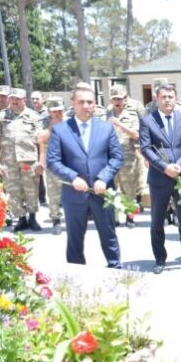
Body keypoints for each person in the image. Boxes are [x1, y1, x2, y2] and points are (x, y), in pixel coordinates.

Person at [46, 85, 123, 267]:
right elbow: (53, 161)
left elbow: (117, 157)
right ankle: (75, 274)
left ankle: (116, 268)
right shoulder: (61, 130)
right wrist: (73, 177)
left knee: (109, 234)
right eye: (81, 102)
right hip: (74, 194)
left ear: (95, 104)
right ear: (73, 103)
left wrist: (103, 177)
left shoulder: (106, 129)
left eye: (90, 102)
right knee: (75, 237)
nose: (86, 105)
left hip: (103, 192)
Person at [139, 83, 181, 274]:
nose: (167, 100)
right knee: (157, 220)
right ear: (157, 99)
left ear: (176, 99)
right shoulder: (148, 121)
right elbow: (146, 148)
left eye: (170, 97)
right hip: (160, 178)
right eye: (163, 97)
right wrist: (165, 167)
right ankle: (160, 258)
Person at [0, 88, 43, 232]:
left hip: (28, 161)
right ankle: (21, 218)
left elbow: (41, 141)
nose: (15, 101)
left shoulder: (34, 117)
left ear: (25, 100)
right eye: (12, 99)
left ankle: (33, 218)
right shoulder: (2, 117)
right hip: (8, 161)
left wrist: (41, 161)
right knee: (12, 191)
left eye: (18, 99)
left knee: (31, 190)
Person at [107, 85, 141, 227]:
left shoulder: (131, 115)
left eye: (119, 99)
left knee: (129, 189)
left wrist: (119, 124)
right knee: (112, 188)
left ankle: (130, 217)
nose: (117, 102)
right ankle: (114, 217)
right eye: (114, 99)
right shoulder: (107, 114)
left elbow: (135, 134)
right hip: (111, 157)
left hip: (128, 156)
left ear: (125, 100)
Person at [37, 96, 66, 234]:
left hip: (70, 162)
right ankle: (56, 220)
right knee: (54, 193)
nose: (57, 114)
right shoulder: (43, 122)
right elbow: (40, 139)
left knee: (74, 191)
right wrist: (52, 127)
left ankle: (77, 218)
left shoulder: (71, 121)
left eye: (60, 110)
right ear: (49, 111)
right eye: (54, 111)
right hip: (53, 162)